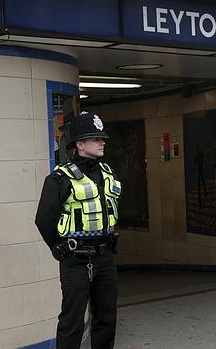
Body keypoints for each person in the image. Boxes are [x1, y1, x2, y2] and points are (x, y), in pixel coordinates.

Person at [35, 111, 122, 349]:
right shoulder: (60, 178)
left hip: (105, 257)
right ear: (80, 144)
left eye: (102, 138)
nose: (102, 141)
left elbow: (110, 210)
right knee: (72, 322)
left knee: (106, 319)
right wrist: (60, 248)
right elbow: (43, 219)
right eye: (96, 138)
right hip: (76, 259)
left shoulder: (107, 173)